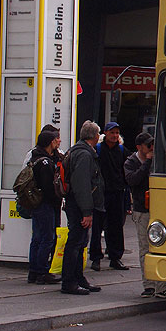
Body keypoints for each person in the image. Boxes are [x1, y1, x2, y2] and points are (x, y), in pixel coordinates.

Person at [124, 132, 166, 299]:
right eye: (148, 145)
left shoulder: (159, 159)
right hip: (142, 209)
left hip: (160, 208)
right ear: (139, 147)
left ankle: (162, 286)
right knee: (145, 249)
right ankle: (148, 285)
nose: (152, 148)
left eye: (153, 145)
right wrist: (147, 162)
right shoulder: (130, 162)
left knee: (162, 247)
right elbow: (133, 180)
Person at [60, 121, 105, 296]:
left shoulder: (76, 151)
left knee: (79, 243)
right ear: (95, 136)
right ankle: (70, 281)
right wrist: (87, 211)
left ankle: (78, 279)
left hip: (75, 203)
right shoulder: (85, 155)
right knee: (76, 243)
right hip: (78, 206)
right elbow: (82, 185)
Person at [89, 121, 129, 271]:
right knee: (97, 226)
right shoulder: (97, 150)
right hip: (100, 193)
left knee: (116, 226)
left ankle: (115, 257)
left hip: (117, 192)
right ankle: (96, 258)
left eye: (117, 133)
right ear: (105, 133)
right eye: (112, 132)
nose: (115, 135)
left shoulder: (121, 150)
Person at [26, 129, 62, 285]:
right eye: (55, 140)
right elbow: (48, 188)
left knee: (37, 238)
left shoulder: (34, 158)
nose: (57, 142)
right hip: (45, 204)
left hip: (36, 204)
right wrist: (58, 198)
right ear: (50, 142)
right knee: (47, 238)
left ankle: (33, 271)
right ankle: (42, 271)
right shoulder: (46, 163)